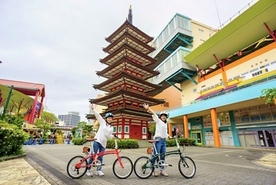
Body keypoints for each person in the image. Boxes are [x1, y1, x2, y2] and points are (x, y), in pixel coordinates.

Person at [86, 103, 116, 177]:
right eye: (108, 118)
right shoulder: (102, 123)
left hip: (103, 143)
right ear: (106, 119)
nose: (110, 119)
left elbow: (108, 136)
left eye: (111, 118)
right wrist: (93, 109)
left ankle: (99, 170)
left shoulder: (111, 128)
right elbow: (98, 116)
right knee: (93, 155)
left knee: (101, 157)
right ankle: (88, 170)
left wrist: (113, 136)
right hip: (97, 141)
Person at [143, 103, 170, 177]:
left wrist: (169, 136)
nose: (164, 117)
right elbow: (154, 113)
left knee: (162, 156)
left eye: (165, 116)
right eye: (162, 116)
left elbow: (165, 132)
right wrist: (148, 108)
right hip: (158, 140)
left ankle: (162, 170)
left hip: (163, 141)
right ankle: (153, 170)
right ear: (160, 117)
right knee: (155, 155)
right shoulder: (158, 121)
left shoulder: (165, 124)